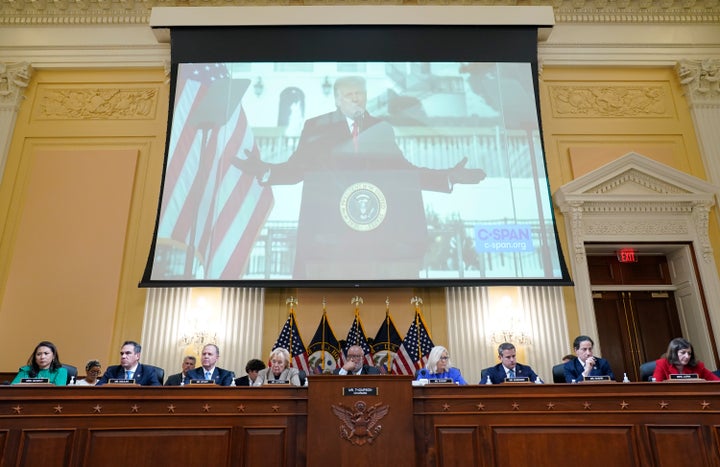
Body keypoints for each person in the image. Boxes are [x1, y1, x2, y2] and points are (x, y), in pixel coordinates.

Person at [236, 75, 486, 279]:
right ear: (337, 99)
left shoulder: (381, 129)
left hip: (373, 237)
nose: (357, 99)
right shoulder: (316, 127)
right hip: (328, 234)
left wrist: (447, 178)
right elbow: (296, 170)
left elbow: (404, 172)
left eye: (360, 94)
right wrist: (265, 170)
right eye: (350, 94)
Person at [652, 337, 720, 382]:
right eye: (683, 352)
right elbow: (656, 387)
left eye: (689, 353)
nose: (687, 356)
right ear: (674, 353)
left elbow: (716, 382)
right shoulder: (662, 364)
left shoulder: (697, 366)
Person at [96, 340, 162, 386]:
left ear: (137, 356)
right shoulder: (112, 371)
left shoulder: (148, 371)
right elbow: (97, 389)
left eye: (128, 353)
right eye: (122, 354)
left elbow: (157, 391)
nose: (123, 356)